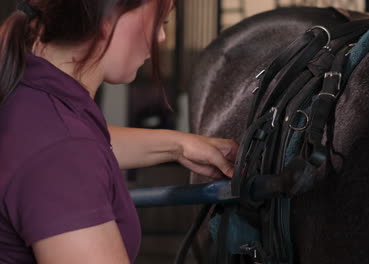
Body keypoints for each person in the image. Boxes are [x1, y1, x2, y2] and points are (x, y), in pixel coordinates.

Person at [0, 0, 239, 263]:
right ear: (109, 18)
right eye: (160, 22)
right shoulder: (63, 153)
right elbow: (66, 153)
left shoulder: (32, 99)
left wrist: (178, 145)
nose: (160, 37)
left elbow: (81, 141)